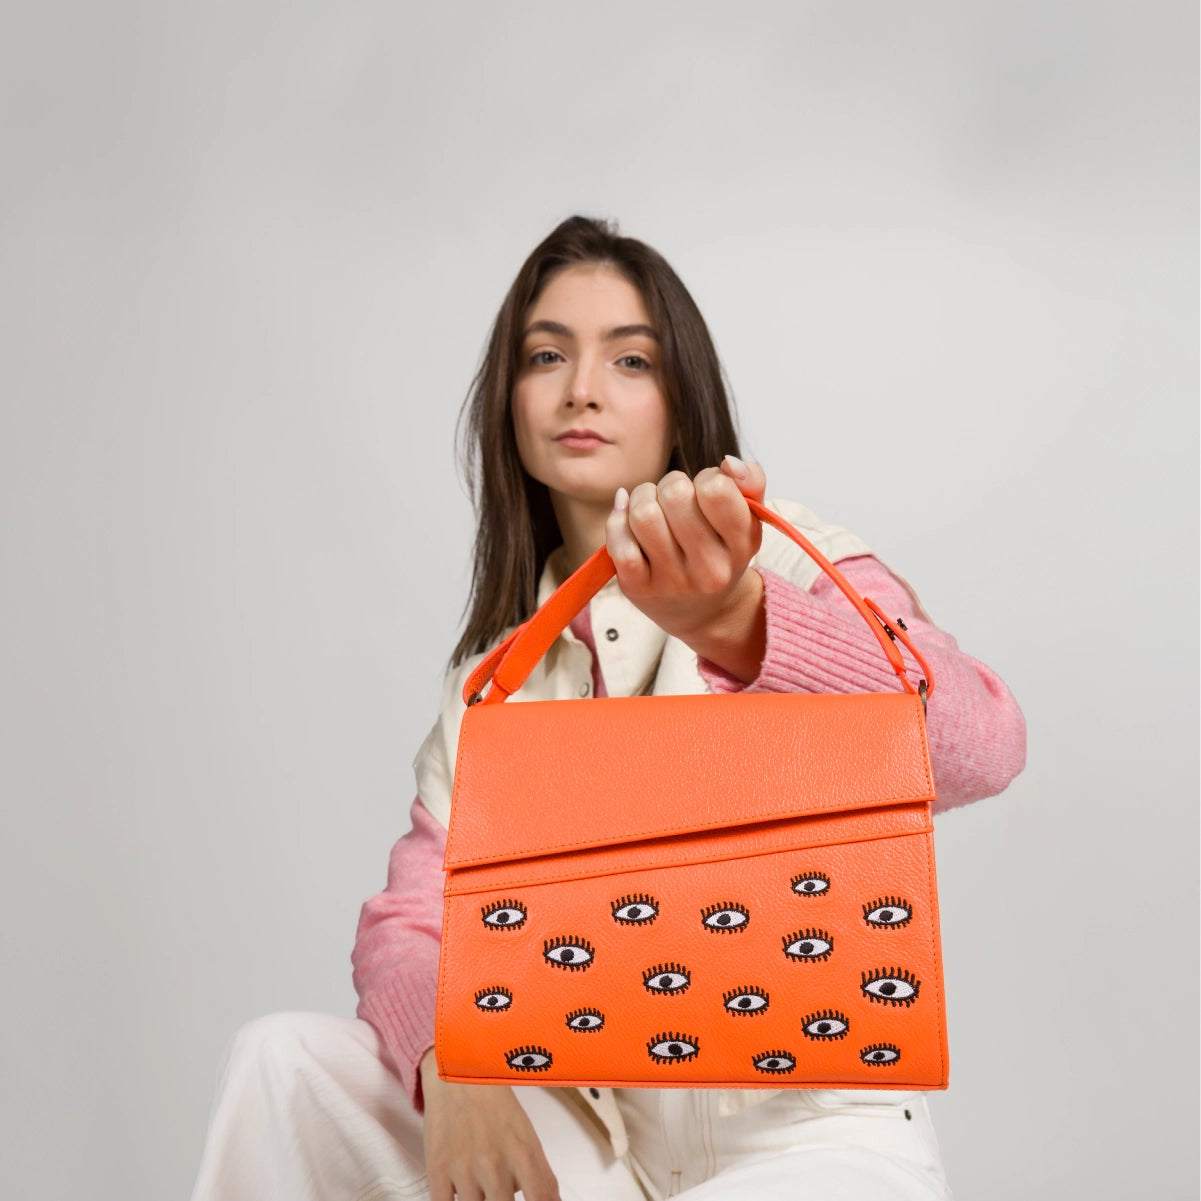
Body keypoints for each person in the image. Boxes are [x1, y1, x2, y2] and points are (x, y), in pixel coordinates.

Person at [190, 216, 1026, 1201]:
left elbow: (980, 743)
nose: (581, 388)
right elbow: (413, 922)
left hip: (814, 1148)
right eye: (546, 356)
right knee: (282, 1062)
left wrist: (740, 624)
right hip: (604, 1152)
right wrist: (450, 1059)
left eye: (630, 360)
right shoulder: (497, 683)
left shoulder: (796, 558)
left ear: (682, 402)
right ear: (509, 400)